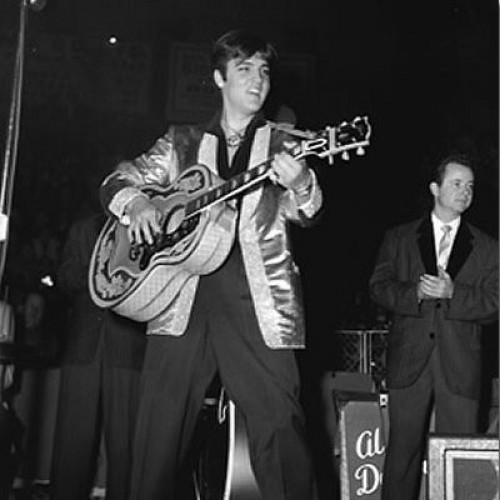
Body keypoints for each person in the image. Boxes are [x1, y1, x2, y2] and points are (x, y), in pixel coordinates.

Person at [99, 29, 322, 500]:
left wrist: (302, 183)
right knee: (157, 433)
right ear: (219, 77)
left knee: (280, 427)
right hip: (180, 295)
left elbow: (308, 212)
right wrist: (136, 205)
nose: (257, 80)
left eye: (263, 71)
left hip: (256, 298)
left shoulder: (285, 144)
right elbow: (117, 179)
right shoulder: (180, 143)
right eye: (244, 69)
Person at [369, 152, 499, 500]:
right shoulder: (398, 238)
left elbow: (495, 303)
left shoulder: (488, 247)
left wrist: (454, 292)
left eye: (470, 186)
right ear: (434, 188)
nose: (465, 192)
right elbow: (378, 287)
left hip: (461, 367)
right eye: (456, 184)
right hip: (408, 362)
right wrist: (414, 294)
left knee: (460, 459)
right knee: (402, 457)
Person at [50, 211, 146, 500]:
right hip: (83, 347)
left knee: (124, 445)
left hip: (128, 348)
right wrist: (95, 272)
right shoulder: (82, 228)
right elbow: (64, 277)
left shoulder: (148, 225)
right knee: (71, 441)